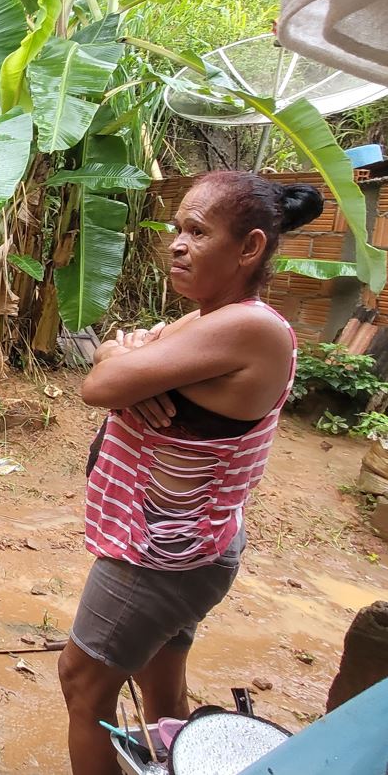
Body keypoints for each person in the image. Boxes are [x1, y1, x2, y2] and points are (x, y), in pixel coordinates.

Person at [58, 171, 324, 775]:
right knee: (163, 695)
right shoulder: (208, 321)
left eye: (197, 231)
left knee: (81, 684)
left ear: (249, 248)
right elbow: (110, 350)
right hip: (188, 547)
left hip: (158, 559)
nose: (175, 242)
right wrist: (132, 367)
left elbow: (98, 383)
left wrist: (133, 373)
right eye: (177, 228)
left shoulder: (249, 327)